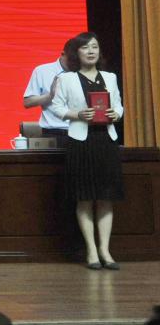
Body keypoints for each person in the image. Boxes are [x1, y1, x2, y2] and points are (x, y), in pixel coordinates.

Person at [48, 32, 124, 270]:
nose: (91, 51)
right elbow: (57, 107)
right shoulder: (66, 79)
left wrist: (116, 114)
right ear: (76, 53)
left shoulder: (110, 77)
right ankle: (91, 250)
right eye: (85, 48)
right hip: (80, 141)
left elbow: (119, 105)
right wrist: (78, 114)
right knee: (84, 197)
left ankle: (105, 250)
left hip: (106, 141)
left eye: (94, 47)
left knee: (105, 197)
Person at [23, 42, 72, 147]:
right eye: (72, 58)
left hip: (81, 132)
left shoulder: (83, 72)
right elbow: (27, 102)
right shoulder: (42, 71)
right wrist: (50, 96)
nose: (74, 63)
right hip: (52, 133)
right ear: (63, 54)